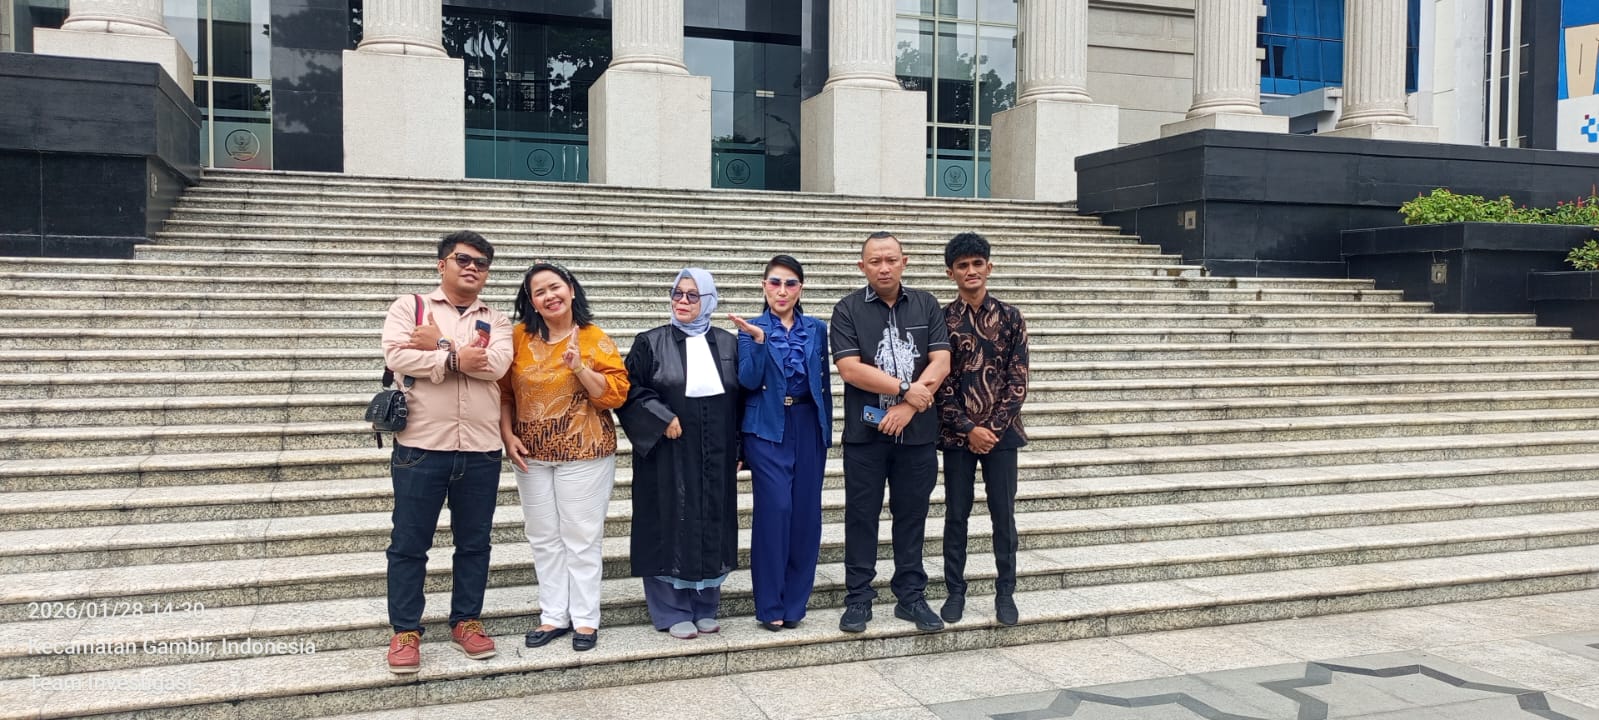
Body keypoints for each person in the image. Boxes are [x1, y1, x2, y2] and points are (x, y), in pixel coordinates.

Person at [379, 230, 513, 674]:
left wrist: (439, 348)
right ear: (443, 264)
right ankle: (405, 631)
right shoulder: (411, 307)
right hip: (421, 447)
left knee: (474, 543)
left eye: (481, 263)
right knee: (408, 543)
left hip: (481, 449)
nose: (473, 268)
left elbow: (496, 365)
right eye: (463, 259)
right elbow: (397, 356)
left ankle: (466, 621)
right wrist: (457, 359)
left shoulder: (496, 319)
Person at [500, 262, 630, 652]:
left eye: (554, 287)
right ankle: (553, 615)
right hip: (531, 452)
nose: (549, 296)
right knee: (542, 536)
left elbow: (616, 394)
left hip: (583, 452)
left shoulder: (594, 338)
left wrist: (579, 368)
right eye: (539, 292)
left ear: (571, 289)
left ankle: (586, 619)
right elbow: (504, 392)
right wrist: (506, 434)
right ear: (531, 301)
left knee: (581, 537)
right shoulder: (518, 337)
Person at [830, 232, 951, 634]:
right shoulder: (847, 310)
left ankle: (911, 596)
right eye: (875, 261)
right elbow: (850, 369)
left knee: (912, 515)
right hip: (865, 437)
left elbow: (941, 361)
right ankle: (858, 598)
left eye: (891, 259)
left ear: (904, 261)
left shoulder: (926, 304)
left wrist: (908, 406)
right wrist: (903, 388)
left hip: (916, 436)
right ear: (861, 266)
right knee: (861, 516)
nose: (884, 268)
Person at [618, 268, 742, 640]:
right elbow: (629, 391)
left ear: (709, 300)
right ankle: (670, 609)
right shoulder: (649, 342)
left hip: (716, 453)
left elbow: (743, 400)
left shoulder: (728, 344)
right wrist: (660, 416)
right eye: (677, 294)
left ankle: (705, 605)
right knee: (667, 522)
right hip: (666, 453)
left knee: (712, 521)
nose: (683, 301)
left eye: (692, 295)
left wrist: (740, 447)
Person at [728, 255, 832, 631]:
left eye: (790, 283)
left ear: (800, 289)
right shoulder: (750, 328)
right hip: (766, 428)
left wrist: (825, 430)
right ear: (764, 287)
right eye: (775, 282)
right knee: (776, 510)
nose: (782, 290)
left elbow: (823, 382)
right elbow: (747, 381)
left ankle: (794, 604)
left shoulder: (817, 328)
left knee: (806, 515)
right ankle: (769, 603)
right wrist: (758, 342)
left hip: (807, 424)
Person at [935, 232, 1030, 627]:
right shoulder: (941, 320)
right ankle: (955, 591)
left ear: (989, 267)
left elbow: (1018, 380)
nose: (970, 271)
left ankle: (1005, 592)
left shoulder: (1011, 317)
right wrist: (968, 428)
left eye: (977, 264)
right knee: (956, 515)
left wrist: (990, 429)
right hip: (957, 437)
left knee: (1003, 515)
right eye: (962, 266)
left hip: (1002, 437)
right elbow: (939, 382)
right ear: (951, 273)